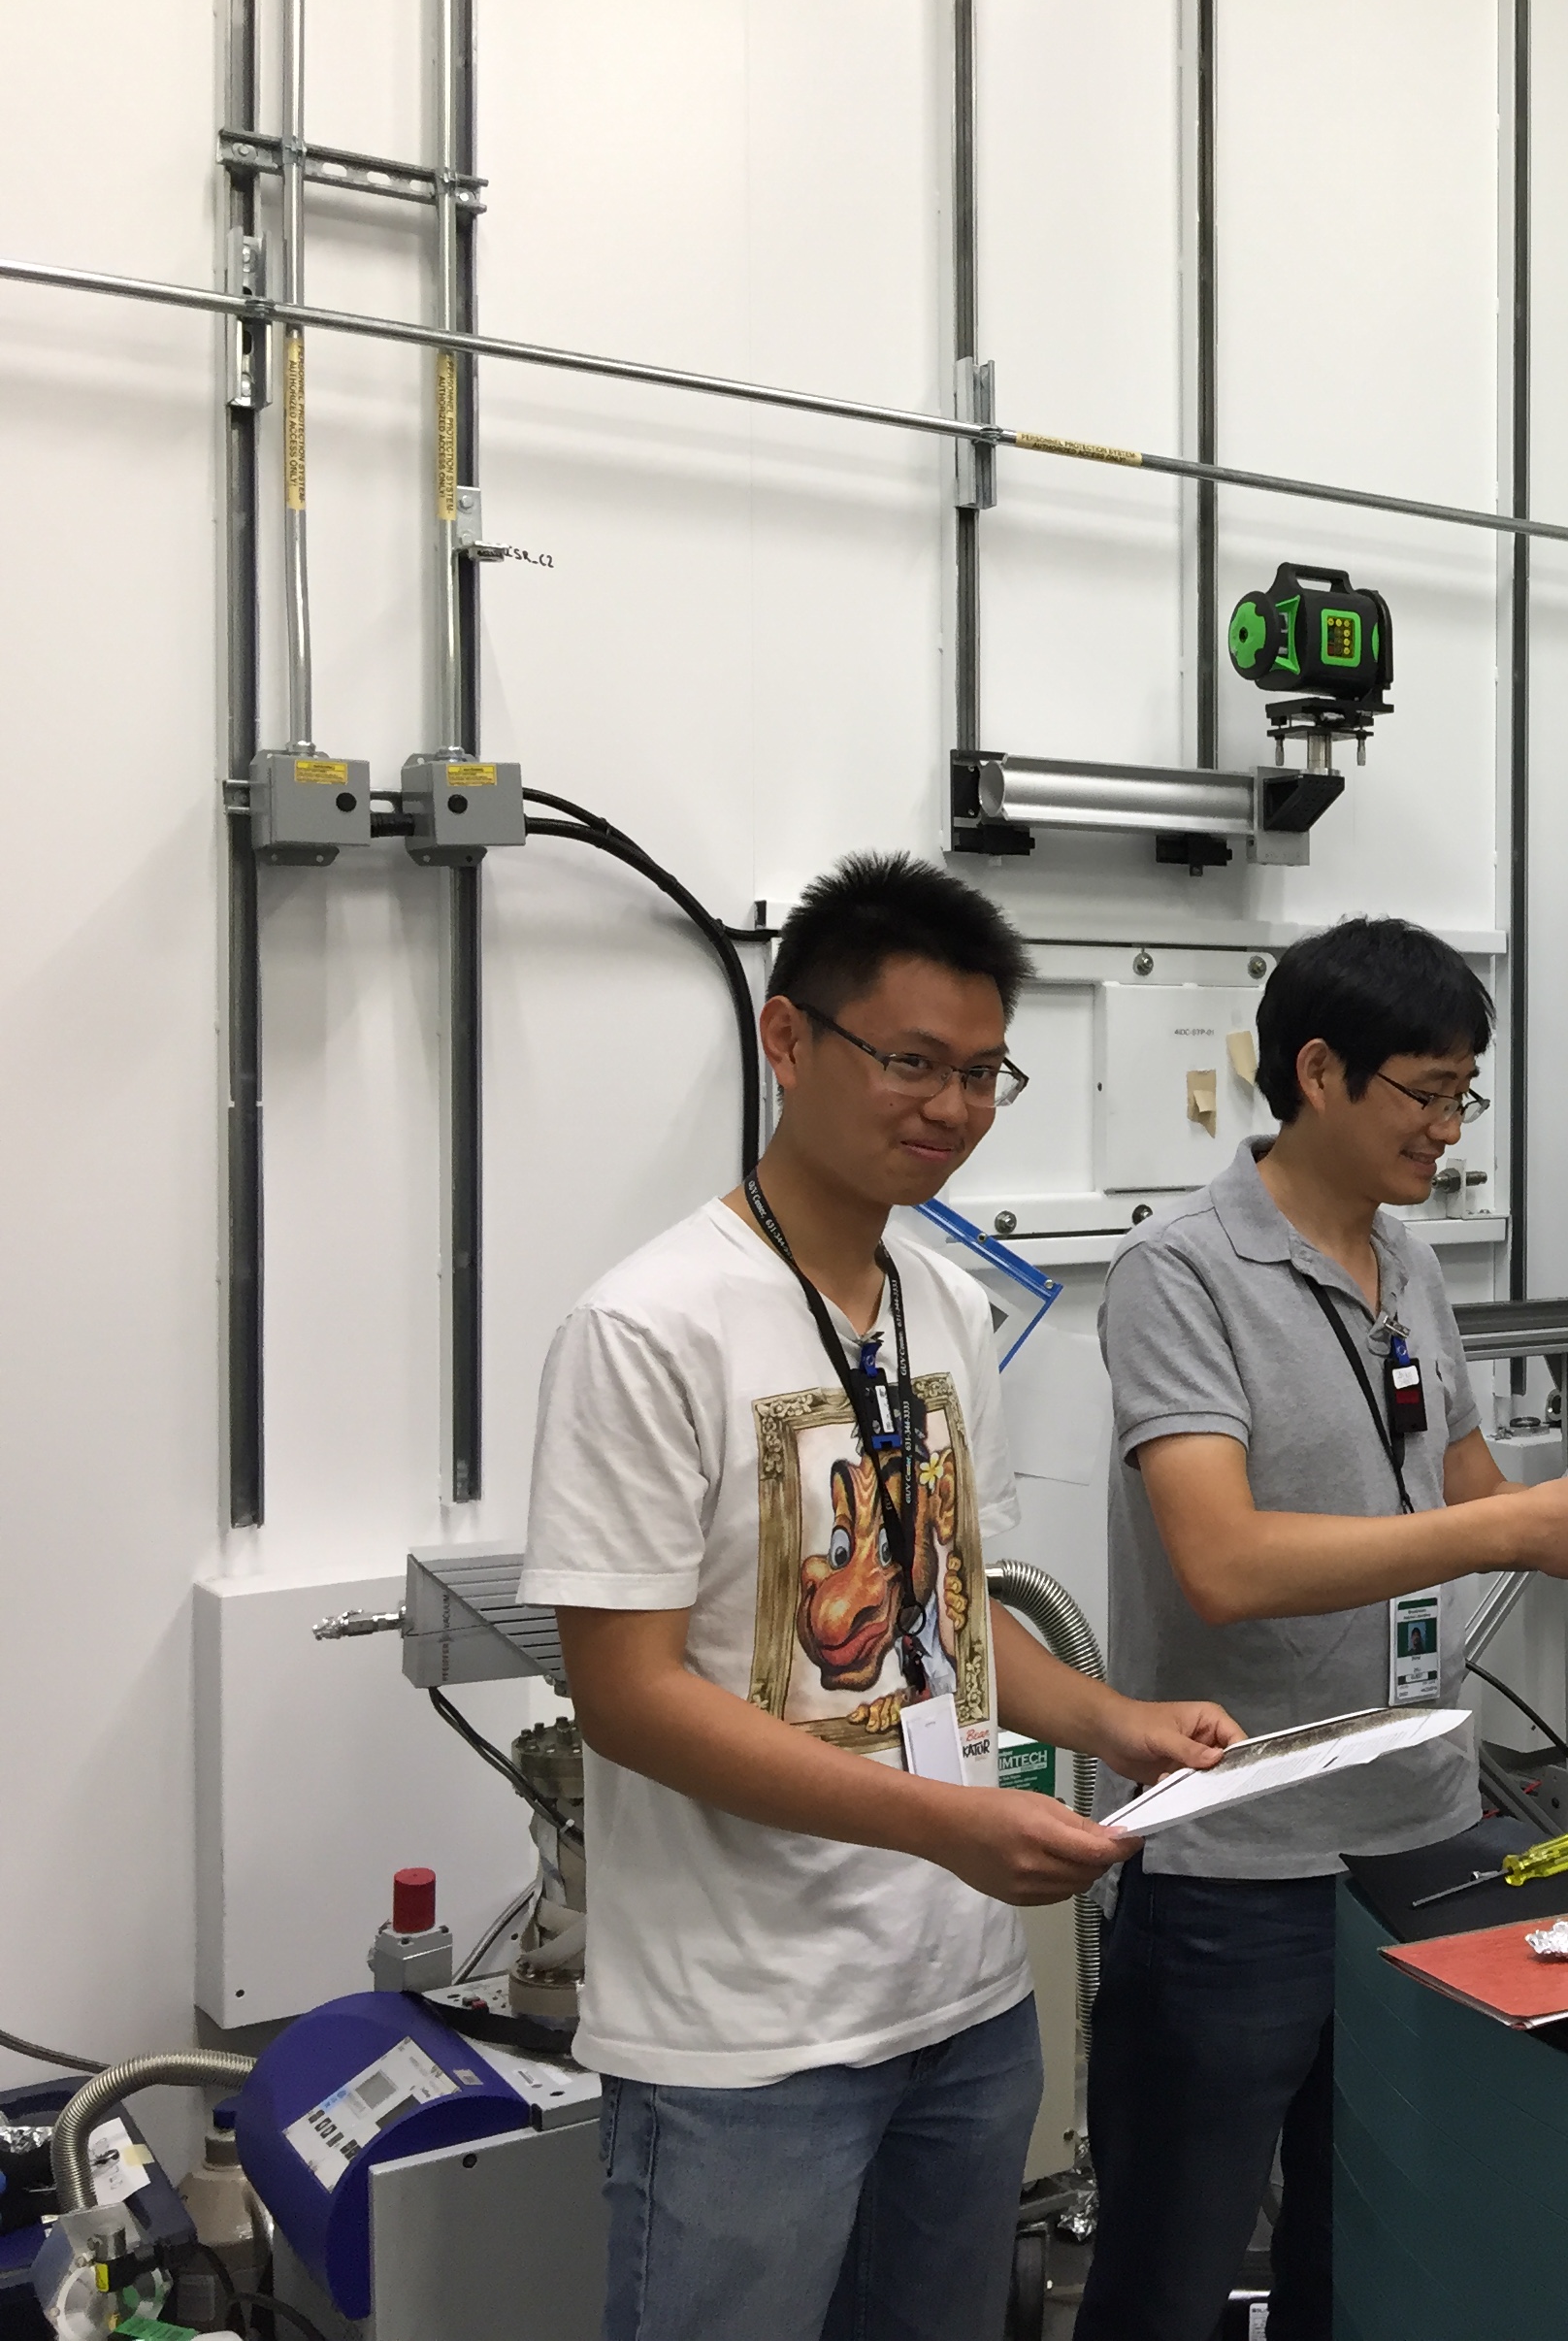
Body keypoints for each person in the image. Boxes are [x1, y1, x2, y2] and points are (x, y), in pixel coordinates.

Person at [521, 852, 1242, 2341]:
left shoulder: (946, 1299)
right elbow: (629, 1698)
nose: (952, 1108)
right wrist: (950, 1822)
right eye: (912, 1062)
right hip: (747, 2043)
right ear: (789, 1041)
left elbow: (947, 1613)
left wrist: (1115, 1722)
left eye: (985, 1073)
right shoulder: (648, 1326)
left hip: (964, 2010)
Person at [1080, 915, 1568, 2341]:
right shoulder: (1178, 1274)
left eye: (1462, 1096)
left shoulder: (1407, 1262)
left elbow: (1468, 1486)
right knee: (1173, 2261)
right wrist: (1510, 1528)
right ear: (1318, 1072)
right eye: (1427, 1094)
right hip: (1243, 1852)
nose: (1448, 1128)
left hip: (1420, 1840)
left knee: (1377, 2239)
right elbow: (1225, 1562)